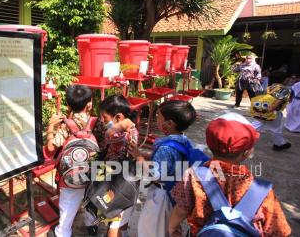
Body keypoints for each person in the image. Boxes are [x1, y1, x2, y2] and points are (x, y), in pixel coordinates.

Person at [169, 113, 291, 236]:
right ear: (247, 152)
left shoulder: (194, 177)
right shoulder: (262, 191)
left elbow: (182, 209)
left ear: (210, 145)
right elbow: (279, 230)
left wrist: (172, 228)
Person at [128, 100, 198, 237]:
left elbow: (155, 174)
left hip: (162, 196)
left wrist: (139, 157)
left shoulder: (166, 148)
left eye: (158, 116)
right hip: (175, 193)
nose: (156, 119)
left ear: (170, 123)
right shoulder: (183, 140)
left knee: (152, 230)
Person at [45, 85, 101, 237]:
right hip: (94, 173)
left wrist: (51, 127)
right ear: (89, 104)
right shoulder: (97, 123)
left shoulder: (66, 126)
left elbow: (50, 149)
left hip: (71, 177)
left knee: (68, 205)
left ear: (68, 105)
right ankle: (92, 225)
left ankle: (63, 232)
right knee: (92, 199)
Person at [86, 95, 138, 237]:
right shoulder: (133, 131)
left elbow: (108, 134)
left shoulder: (119, 135)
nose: (102, 121)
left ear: (119, 117)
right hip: (126, 179)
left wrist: (120, 126)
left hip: (114, 181)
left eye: (105, 117)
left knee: (113, 221)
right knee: (119, 217)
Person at [251, 71, 292, 151]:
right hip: (273, 112)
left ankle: (242, 137)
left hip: (261, 109)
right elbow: (279, 100)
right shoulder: (285, 90)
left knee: (256, 125)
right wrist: (271, 109)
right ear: (285, 80)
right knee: (275, 129)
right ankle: (279, 144)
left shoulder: (269, 87)